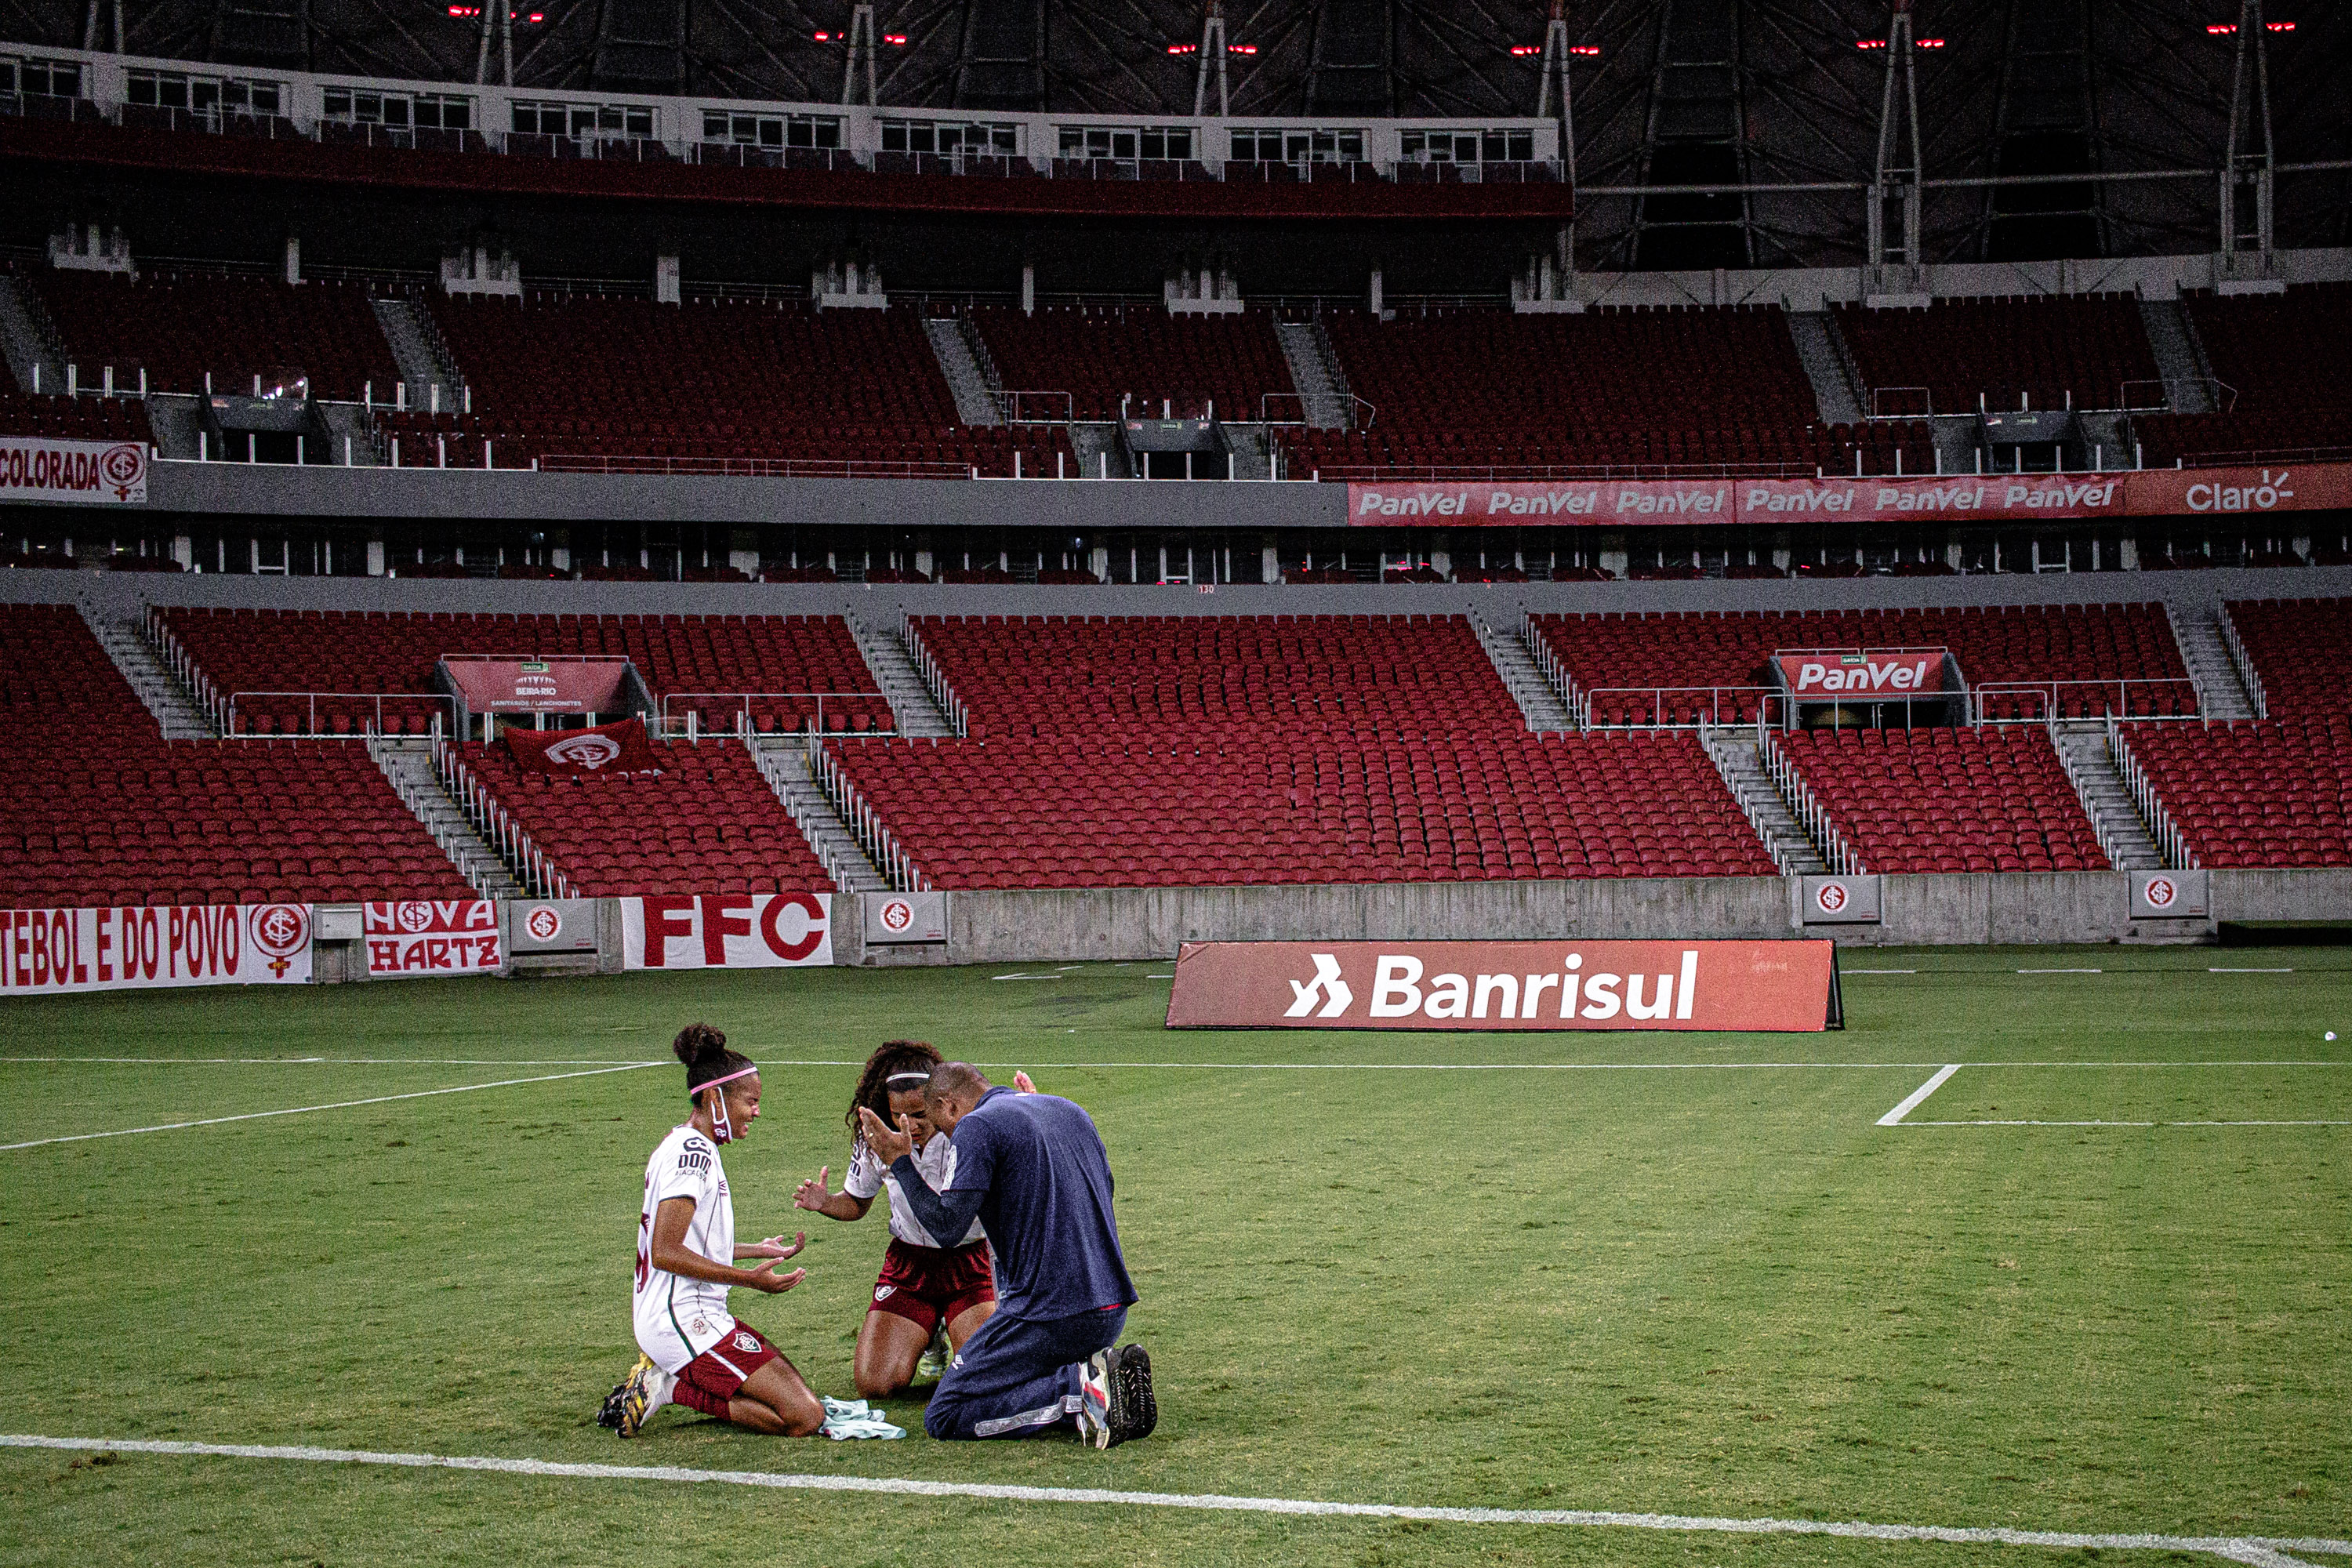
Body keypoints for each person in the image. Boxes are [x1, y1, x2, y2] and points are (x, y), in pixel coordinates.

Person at [857, 1061, 1156, 1447]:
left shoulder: (976, 1125)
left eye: (942, 1126)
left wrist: (900, 1162)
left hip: (1048, 1315)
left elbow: (948, 1229)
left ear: (949, 1107)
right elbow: (1106, 1189)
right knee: (1004, 1377)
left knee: (945, 1413)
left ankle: (1082, 1392)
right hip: (1111, 1309)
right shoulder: (1069, 1109)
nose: (949, 1139)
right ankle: (1089, 1375)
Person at [597, 1023, 831, 1439]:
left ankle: (668, 1379)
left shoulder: (685, 1144)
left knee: (797, 1404)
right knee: (804, 1417)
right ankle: (668, 1387)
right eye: (750, 1101)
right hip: (683, 1321)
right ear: (713, 1098)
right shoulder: (694, 1154)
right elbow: (665, 1251)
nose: (757, 1111)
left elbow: (689, 1241)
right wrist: (749, 1281)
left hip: (694, 1315)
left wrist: (752, 1250)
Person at [793, 1041, 997, 1399]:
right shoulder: (875, 1138)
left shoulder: (968, 1133)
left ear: (941, 1101)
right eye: (897, 1115)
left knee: (986, 1379)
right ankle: (929, 1333)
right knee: (876, 1384)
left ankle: (949, 1324)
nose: (909, 1126)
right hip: (909, 1264)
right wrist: (825, 1203)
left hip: (970, 1262)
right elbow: (856, 1203)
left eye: (919, 1114)